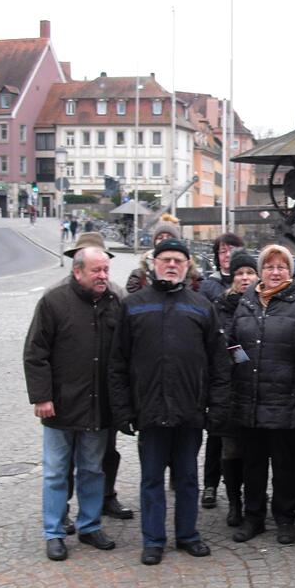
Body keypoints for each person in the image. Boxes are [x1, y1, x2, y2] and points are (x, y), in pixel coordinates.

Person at [109, 238, 230, 566]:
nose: (172, 265)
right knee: (151, 479)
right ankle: (153, 540)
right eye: (166, 260)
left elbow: (219, 362)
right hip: (149, 409)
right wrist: (123, 409)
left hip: (190, 410)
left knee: (188, 478)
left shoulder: (201, 306)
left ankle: (188, 534)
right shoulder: (133, 305)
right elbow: (118, 362)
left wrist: (217, 406)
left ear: (187, 266)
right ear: (154, 264)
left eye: (178, 260)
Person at [23, 246, 120, 561]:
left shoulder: (114, 303)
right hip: (61, 406)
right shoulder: (54, 302)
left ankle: (90, 526)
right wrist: (42, 396)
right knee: (55, 472)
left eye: (106, 270)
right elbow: (35, 352)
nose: (103, 276)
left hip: (98, 406)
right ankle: (54, 532)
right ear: (78, 272)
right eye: (96, 270)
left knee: (92, 469)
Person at [228, 245, 295, 545]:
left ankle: (285, 518)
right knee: (252, 465)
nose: (275, 272)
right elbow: (233, 342)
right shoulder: (247, 301)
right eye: (269, 267)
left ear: (290, 271)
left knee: (286, 467)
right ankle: (253, 517)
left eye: (281, 267)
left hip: (288, 400)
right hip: (251, 398)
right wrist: (245, 366)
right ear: (261, 271)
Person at [60, 232, 134, 523]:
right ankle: (63, 509)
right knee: (66, 456)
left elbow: (128, 341)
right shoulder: (56, 295)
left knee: (108, 451)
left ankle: (106, 497)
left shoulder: (117, 295)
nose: (101, 273)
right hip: (72, 392)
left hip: (106, 391)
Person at [208, 249, 258, 527]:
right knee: (230, 452)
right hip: (229, 389)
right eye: (240, 273)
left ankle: (253, 502)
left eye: (250, 272)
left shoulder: (263, 303)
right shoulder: (220, 306)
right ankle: (234, 503)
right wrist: (241, 357)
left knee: (253, 454)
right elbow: (219, 344)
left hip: (257, 389)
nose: (245, 278)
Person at [126, 214, 201, 294]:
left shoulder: (193, 276)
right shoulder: (139, 276)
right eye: (160, 237)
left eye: (169, 237)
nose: (164, 240)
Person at [199, 232, 247, 302]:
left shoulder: (249, 282)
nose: (228, 255)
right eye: (223, 251)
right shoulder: (207, 286)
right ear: (217, 256)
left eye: (232, 250)